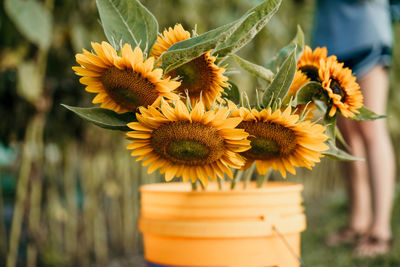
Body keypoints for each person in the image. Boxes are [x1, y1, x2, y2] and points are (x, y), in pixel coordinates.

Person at [313, 0, 396, 257]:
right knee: (345, 137)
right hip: (328, 43)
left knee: (371, 130)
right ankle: (358, 221)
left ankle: (380, 230)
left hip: (366, 36)